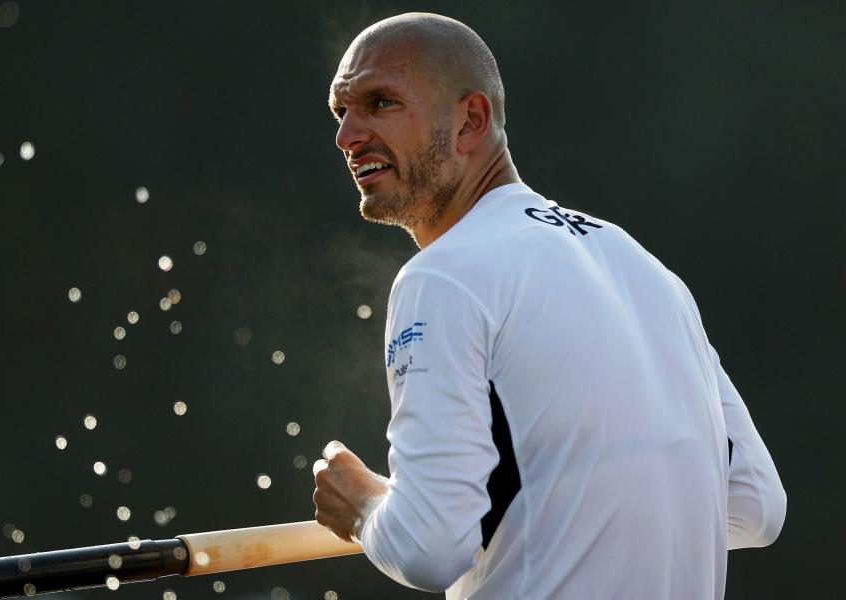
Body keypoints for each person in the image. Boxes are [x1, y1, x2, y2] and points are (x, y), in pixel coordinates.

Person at [312, 12, 786, 600]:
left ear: (471, 121)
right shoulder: (645, 269)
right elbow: (756, 505)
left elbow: (427, 549)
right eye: (342, 112)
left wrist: (363, 507)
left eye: (381, 103)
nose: (347, 136)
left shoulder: (441, 277)